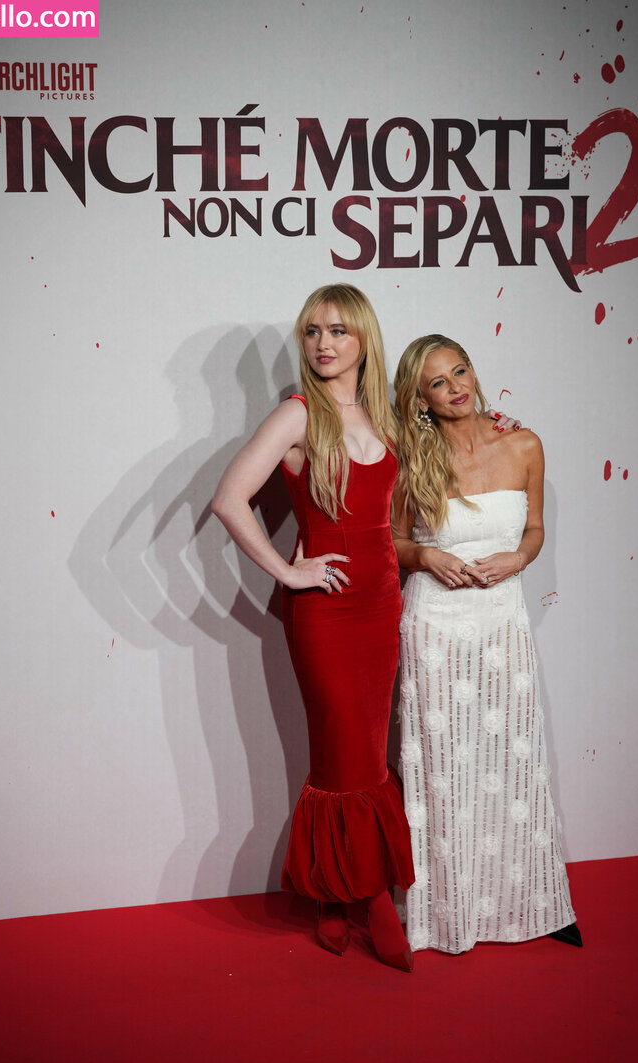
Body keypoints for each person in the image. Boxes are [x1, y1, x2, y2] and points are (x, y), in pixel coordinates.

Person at [212, 284, 416, 971]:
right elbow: (229, 499)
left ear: (364, 339)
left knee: (361, 750)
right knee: (343, 749)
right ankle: (372, 896)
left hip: (382, 606)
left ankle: (333, 892)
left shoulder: (388, 416)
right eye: (311, 332)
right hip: (325, 613)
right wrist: (288, 571)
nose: (323, 344)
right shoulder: (298, 413)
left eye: (337, 330)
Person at [392, 333, 581, 954]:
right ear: (421, 399)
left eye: (460, 371)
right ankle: (445, 913)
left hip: (503, 620)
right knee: (444, 766)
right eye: (438, 383)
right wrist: (425, 555)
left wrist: (518, 560)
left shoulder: (524, 444)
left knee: (513, 758)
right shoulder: (409, 460)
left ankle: (533, 902)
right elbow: (390, 541)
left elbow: (535, 528)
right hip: (434, 624)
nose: (456, 388)